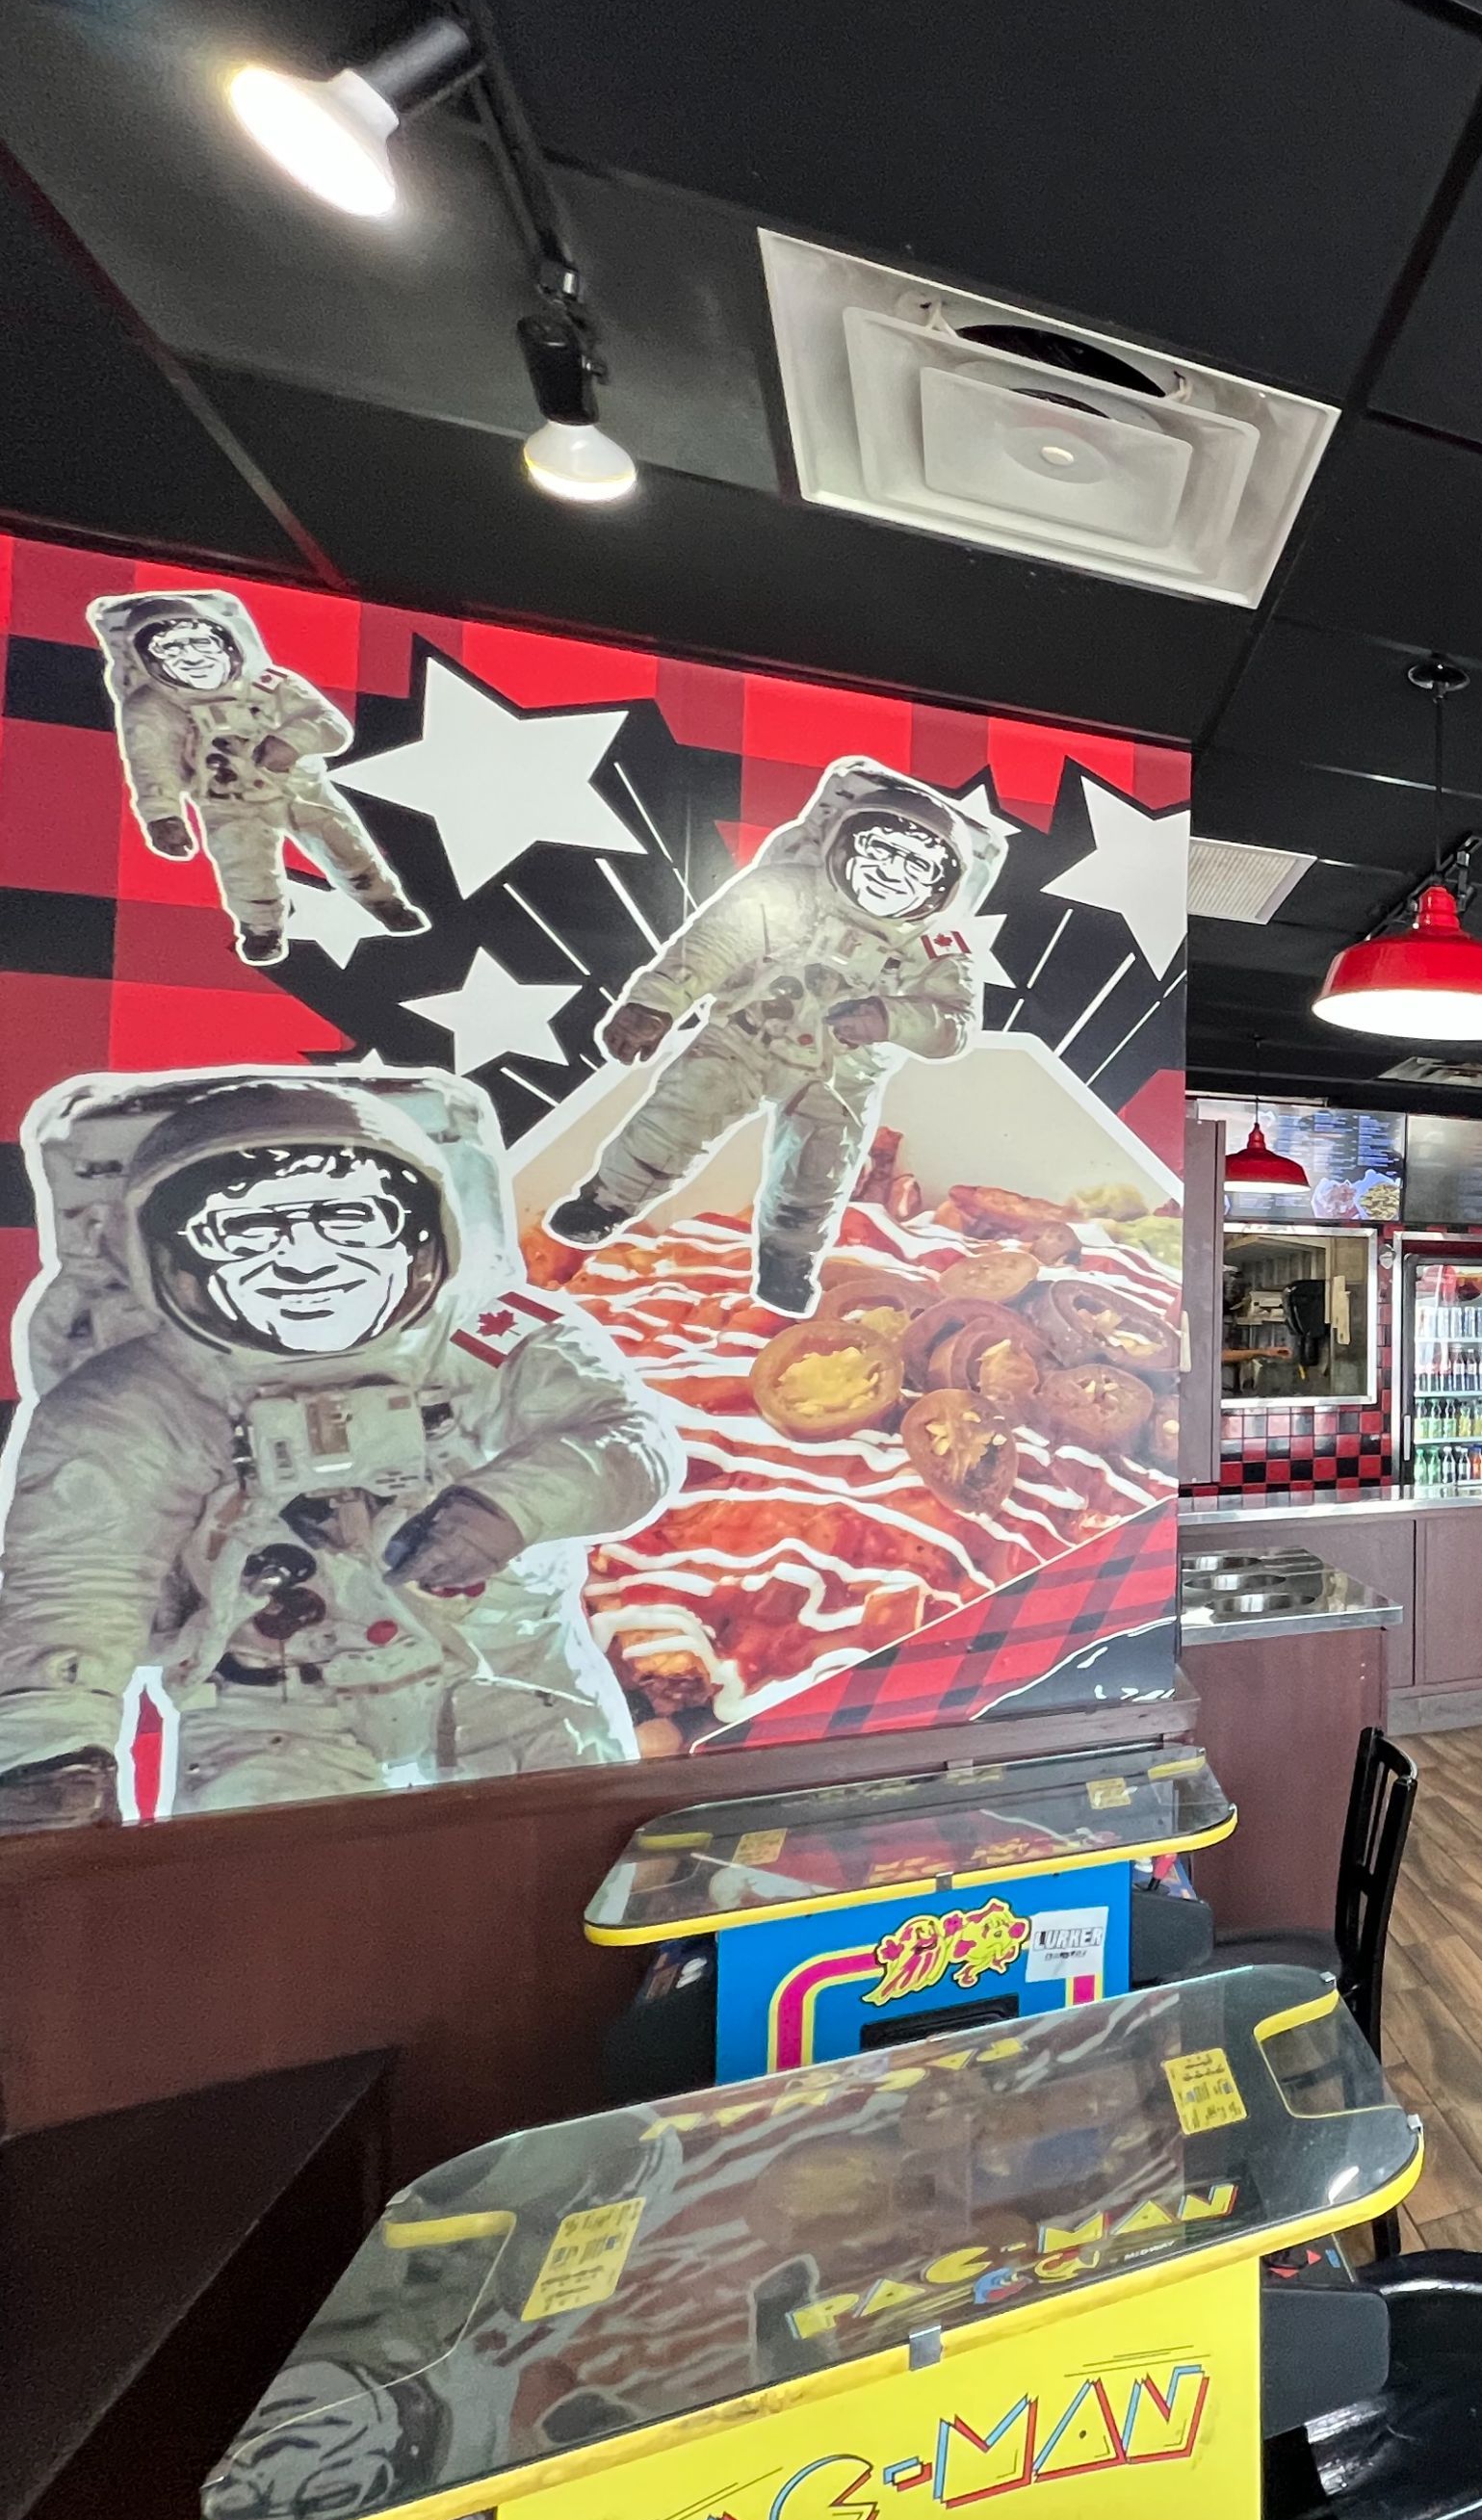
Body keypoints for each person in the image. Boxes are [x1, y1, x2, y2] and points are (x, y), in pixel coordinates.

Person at [0, 1071, 682, 1826]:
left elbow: (628, 1440)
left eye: (349, 1219)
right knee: (282, 1892)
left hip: (507, 1671)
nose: (305, 1260)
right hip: (273, 1707)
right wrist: (52, 1756)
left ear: (419, 1227)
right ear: (175, 1254)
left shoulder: (497, 1334)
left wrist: (510, 1508)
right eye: (247, 1230)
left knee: (577, 1866)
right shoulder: (138, 1398)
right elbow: (77, 1581)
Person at [543, 759, 998, 1313]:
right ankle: (606, 1203)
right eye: (879, 849)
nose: (890, 871)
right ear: (843, 842)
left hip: (840, 1072)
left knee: (818, 1172)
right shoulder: (789, 891)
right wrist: (654, 1006)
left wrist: (890, 1019)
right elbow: (710, 947)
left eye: (917, 865)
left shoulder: (938, 947)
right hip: (744, 1036)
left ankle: (789, 1261)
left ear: (943, 886)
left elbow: (954, 1027)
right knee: (675, 1117)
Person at [88, 591, 428, 967]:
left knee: (348, 850)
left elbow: (331, 727)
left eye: (201, 642)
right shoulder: (153, 707)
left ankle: (384, 903)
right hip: (228, 803)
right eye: (171, 649)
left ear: (228, 644)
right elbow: (152, 764)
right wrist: (163, 815)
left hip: (301, 790)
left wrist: (291, 742)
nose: (192, 656)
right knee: (245, 870)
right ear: (149, 659)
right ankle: (261, 930)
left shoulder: (273, 684)